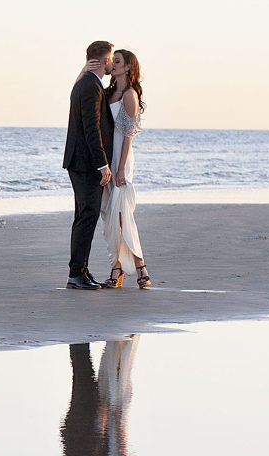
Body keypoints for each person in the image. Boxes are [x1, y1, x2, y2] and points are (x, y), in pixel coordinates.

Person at [62, 40, 116, 290]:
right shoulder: (90, 86)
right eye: (111, 59)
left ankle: (80, 270)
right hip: (85, 163)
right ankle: (76, 273)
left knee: (84, 215)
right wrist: (102, 164)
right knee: (87, 215)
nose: (112, 64)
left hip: (80, 161)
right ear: (105, 60)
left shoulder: (84, 82)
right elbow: (91, 129)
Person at [98, 49, 151, 289]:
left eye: (118, 61)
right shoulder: (107, 93)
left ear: (129, 67)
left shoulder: (129, 94)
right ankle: (118, 264)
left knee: (122, 214)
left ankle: (138, 265)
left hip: (122, 159)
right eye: (112, 60)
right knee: (109, 212)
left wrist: (120, 170)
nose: (113, 64)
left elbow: (128, 135)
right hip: (107, 158)